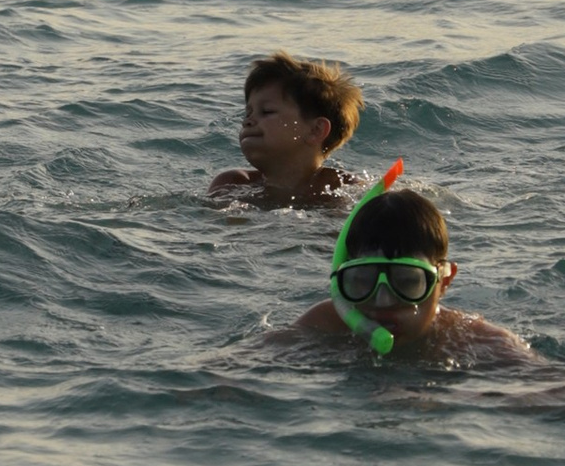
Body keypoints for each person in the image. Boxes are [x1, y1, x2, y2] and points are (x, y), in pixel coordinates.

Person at [272, 164, 534, 369]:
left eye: (407, 282)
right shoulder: (326, 324)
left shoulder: (473, 342)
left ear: (444, 281)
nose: (383, 301)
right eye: (363, 280)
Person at [209, 51, 363, 208]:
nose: (248, 121)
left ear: (316, 130)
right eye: (248, 113)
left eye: (267, 111)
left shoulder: (342, 187)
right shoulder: (231, 184)